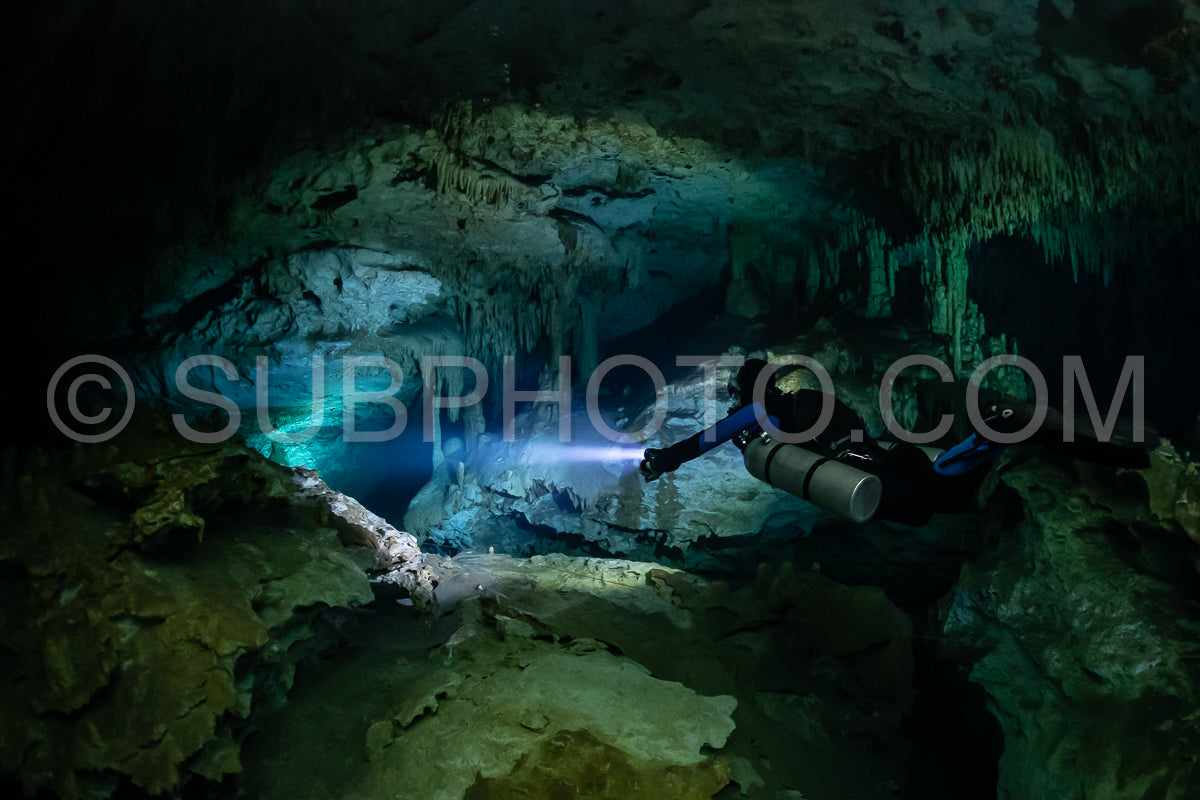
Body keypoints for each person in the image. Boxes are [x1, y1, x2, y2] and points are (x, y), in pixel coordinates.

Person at [638, 358, 1154, 526]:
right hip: (876, 455)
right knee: (931, 498)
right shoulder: (801, 402)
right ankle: (999, 433)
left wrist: (663, 460)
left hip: (868, 466)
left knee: (921, 501)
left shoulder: (759, 412)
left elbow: (707, 439)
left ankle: (999, 427)